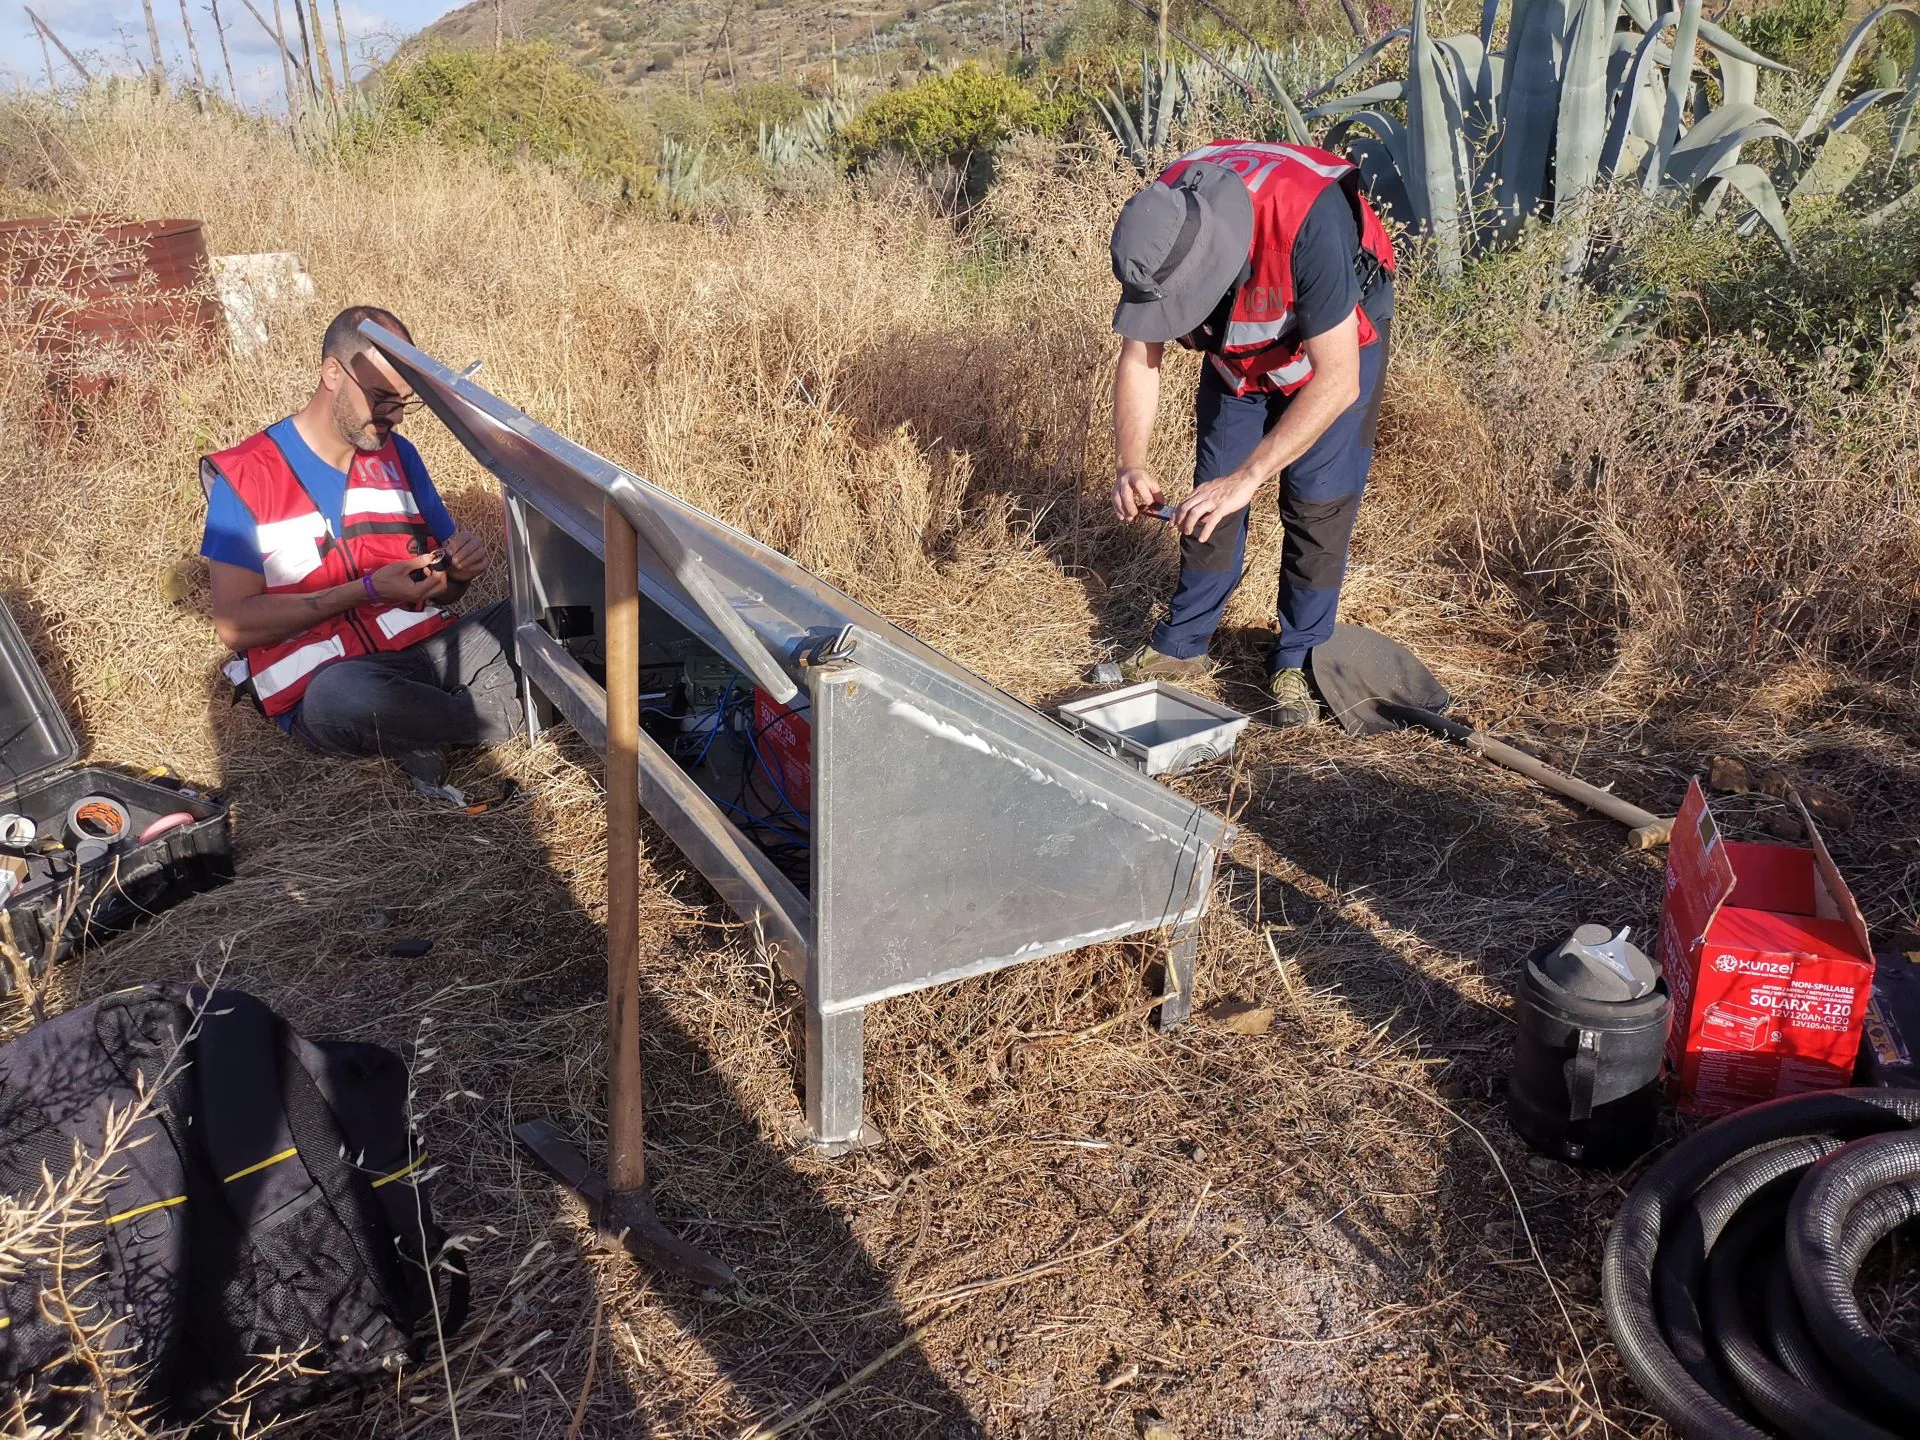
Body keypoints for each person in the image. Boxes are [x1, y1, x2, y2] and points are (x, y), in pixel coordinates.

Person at [1108, 138, 1396, 727]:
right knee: (1209, 495)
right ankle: (1184, 642)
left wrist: (1252, 476)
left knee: (1318, 498)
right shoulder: (1163, 225)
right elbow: (1141, 354)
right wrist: (1130, 463)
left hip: (1340, 343)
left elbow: (1336, 379)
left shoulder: (1305, 223)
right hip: (1240, 356)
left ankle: (1301, 655)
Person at [199, 305, 523, 798]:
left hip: (425, 658)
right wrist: (366, 590)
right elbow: (235, 625)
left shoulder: (400, 456)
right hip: (325, 687)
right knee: (344, 696)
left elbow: (443, 590)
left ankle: (423, 728)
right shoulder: (245, 477)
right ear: (332, 372)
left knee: (537, 613)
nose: (392, 416)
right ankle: (491, 713)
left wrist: (458, 571)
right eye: (380, 398)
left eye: (403, 403)